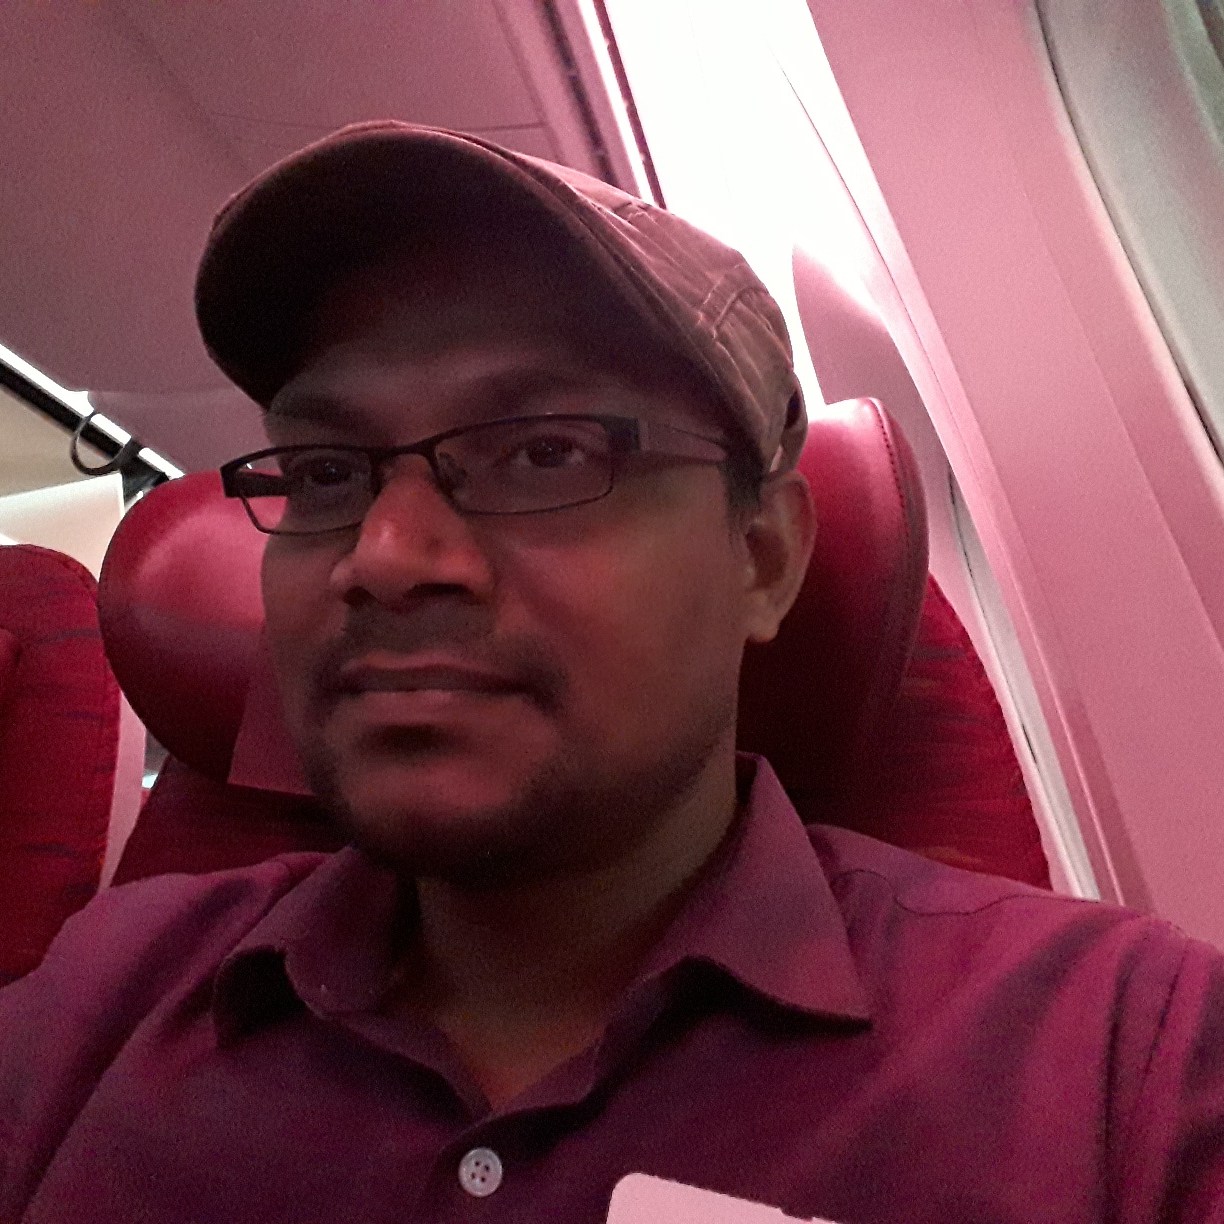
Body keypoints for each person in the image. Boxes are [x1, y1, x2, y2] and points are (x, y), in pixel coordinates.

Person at [3, 121, 1224, 1224]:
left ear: (762, 558)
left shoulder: (1123, 1061)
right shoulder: (101, 1000)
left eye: (544, 452)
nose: (384, 558)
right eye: (326, 473)